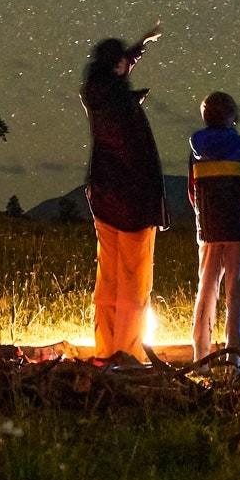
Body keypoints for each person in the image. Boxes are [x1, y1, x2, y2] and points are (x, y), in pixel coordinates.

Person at [80, 27, 166, 362]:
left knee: (108, 278)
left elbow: (118, 68)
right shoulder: (120, 106)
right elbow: (134, 157)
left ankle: (105, 348)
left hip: (102, 198)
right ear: (116, 66)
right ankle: (127, 353)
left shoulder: (96, 94)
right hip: (132, 204)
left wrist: (139, 48)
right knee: (133, 282)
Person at [187, 91, 240, 365]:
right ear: (233, 116)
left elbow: (192, 191)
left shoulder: (196, 149)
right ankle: (234, 363)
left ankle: (201, 359)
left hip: (208, 230)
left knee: (206, 292)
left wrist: (201, 215)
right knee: (237, 297)